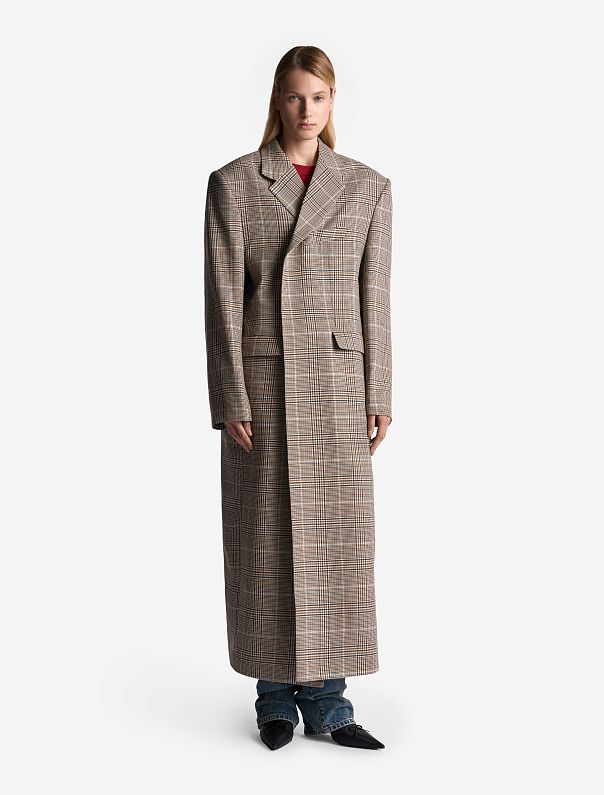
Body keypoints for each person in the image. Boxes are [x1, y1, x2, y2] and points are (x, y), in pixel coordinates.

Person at [204, 45, 392, 751]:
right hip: (265, 384)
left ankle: (330, 702)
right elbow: (222, 299)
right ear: (277, 101)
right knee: (267, 537)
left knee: (336, 540)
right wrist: (231, 396)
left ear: (332, 101)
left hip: (338, 386)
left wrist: (380, 390)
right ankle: (275, 698)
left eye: (319, 96)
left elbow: (376, 297)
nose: (306, 110)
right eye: (294, 96)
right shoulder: (235, 183)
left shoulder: (367, 187)